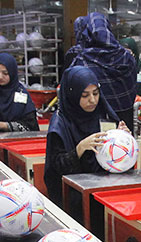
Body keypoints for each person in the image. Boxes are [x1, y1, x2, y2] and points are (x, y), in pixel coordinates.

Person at [44, 66, 128, 206]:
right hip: (74, 198)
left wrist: (123, 140)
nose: (93, 100)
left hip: (106, 192)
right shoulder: (60, 123)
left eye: (96, 93)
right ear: (73, 95)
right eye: (85, 95)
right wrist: (80, 148)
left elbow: (114, 157)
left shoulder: (104, 113)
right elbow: (56, 168)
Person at [70, 12, 138, 131]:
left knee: (99, 148)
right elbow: (132, 87)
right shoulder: (126, 56)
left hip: (93, 121)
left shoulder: (81, 59)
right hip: (124, 120)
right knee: (123, 148)